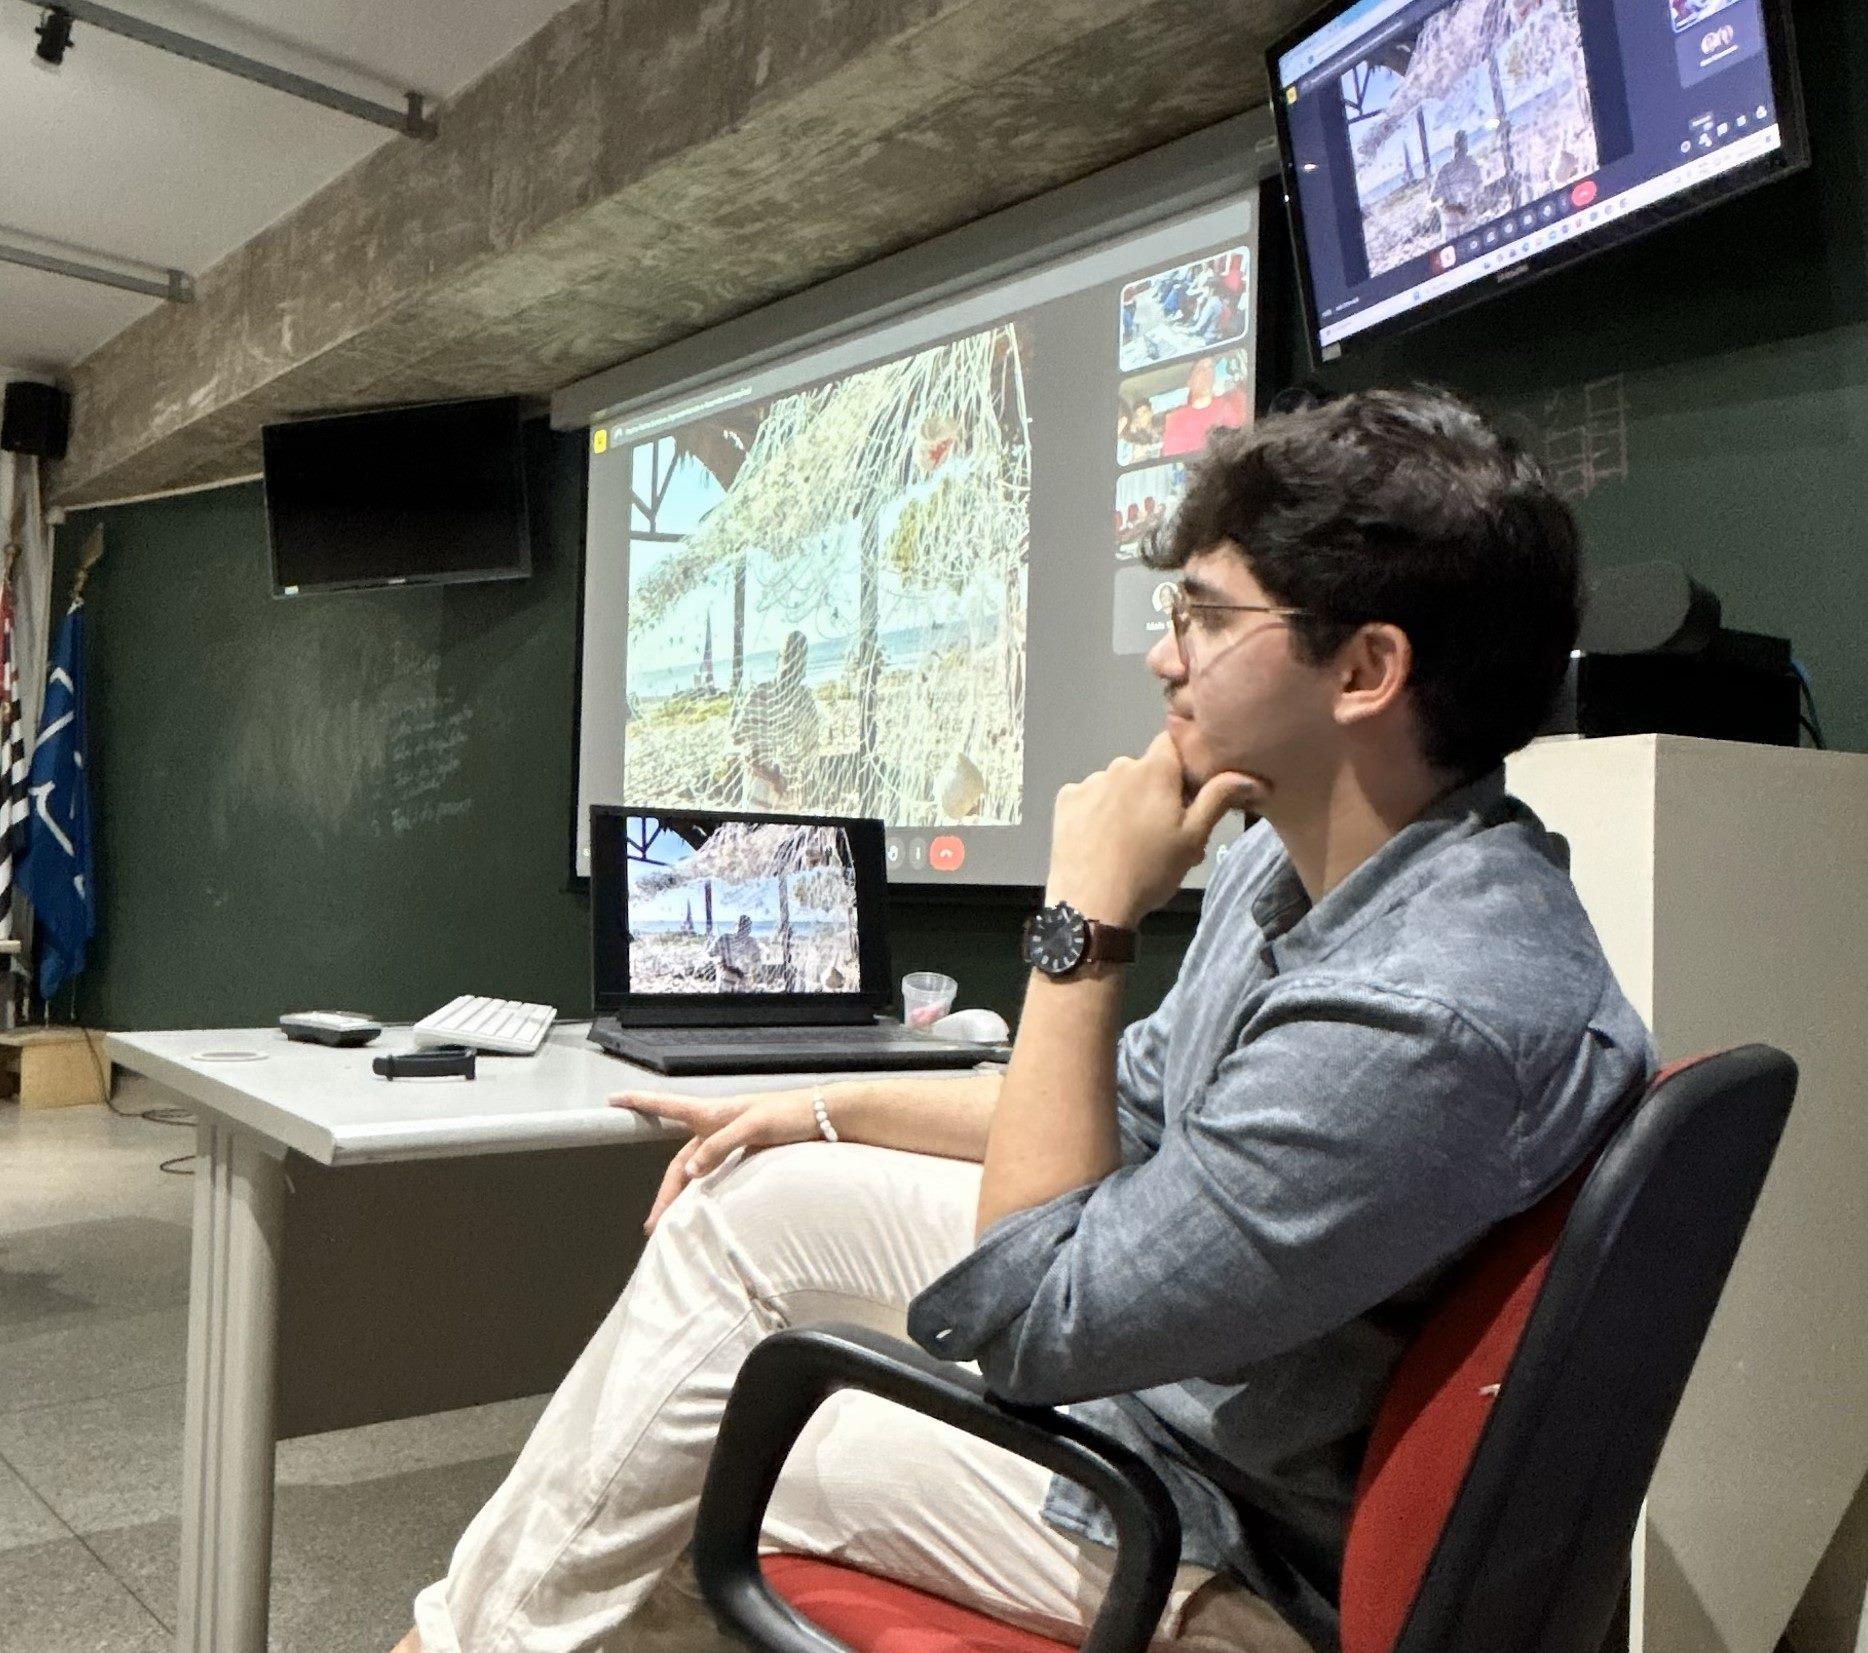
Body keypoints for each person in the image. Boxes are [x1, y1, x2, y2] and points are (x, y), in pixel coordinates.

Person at [395, 388, 1654, 1653]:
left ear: (1365, 670)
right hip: (1179, 1396)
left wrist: (1083, 926)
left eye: (1206, 617)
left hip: (1222, 1529)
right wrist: (818, 1110)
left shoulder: (1418, 1014)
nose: (1164, 656)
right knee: (745, 1216)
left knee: (721, 1440)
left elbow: (1035, 1316)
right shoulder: (1305, 864)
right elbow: (1133, 1114)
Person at [1161, 357, 1248, 458]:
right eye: (1201, 369)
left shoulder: (1232, 402)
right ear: (1190, 382)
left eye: (1211, 368)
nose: (1207, 373)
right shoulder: (1176, 419)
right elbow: (1175, 457)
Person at [1432, 129, 1486, 239]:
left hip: (1470, 225)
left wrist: (1471, 205)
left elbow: (1480, 193)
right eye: (1459, 142)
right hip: (1450, 230)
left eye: (1463, 142)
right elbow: (1434, 199)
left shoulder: (1473, 166)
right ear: (1455, 145)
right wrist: (1454, 208)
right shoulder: (1444, 170)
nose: (1462, 146)